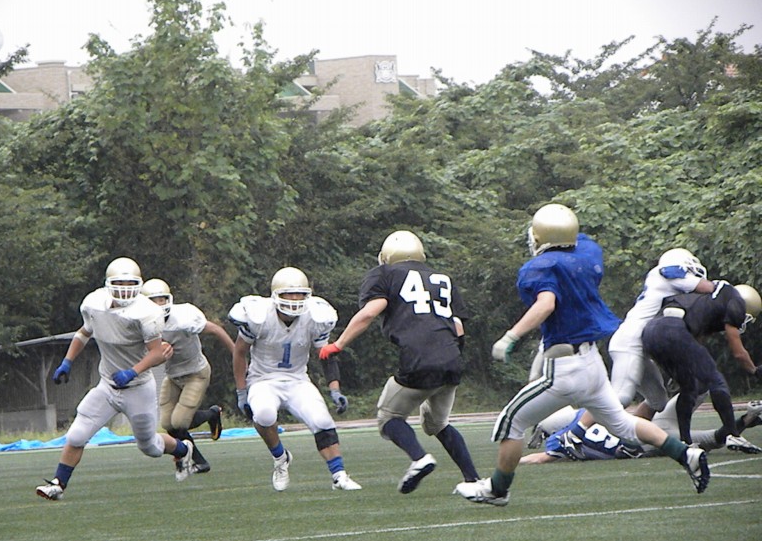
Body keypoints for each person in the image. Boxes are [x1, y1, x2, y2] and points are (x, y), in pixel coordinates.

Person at [453, 204, 710, 506]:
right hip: (592, 363)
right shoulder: (587, 253)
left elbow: (546, 303)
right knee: (623, 424)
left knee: (511, 421)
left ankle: (497, 489)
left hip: (565, 367)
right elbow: (574, 242)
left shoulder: (539, 268)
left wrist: (511, 336)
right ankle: (686, 454)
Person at [319, 230, 480, 494]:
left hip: (419, 358)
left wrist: (338, 345)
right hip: (452, 358)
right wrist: (449, 361)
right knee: (438, 424)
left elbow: (369, 313)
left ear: (386, 256)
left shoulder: (385, 274)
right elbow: (458, 328)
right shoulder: (442, 279)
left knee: (389, 418)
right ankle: (473, 480)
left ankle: (419, 459)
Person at [36, 257, 194, 501]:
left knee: (150, 447)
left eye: (129, 284)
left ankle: (183, 450)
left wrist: (133, 371)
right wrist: (67, 361)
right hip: (107, 386)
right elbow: (84, 333)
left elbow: (156, 352)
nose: (124, 289)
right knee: (77, 435)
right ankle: (58, 484)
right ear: (108, 283)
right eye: (119, 283)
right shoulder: (94, 303)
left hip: (138, 388)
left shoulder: (146, 312)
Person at [559, 248, 714, 448]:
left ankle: (626, 440)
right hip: (629, 342)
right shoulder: (667, 273)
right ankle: (573, 434)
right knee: (621, 397)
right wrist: (724, 290)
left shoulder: (671, 291)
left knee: (658, 401)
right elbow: (706, 287)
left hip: (641, 349)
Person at [228, 266, 361, 492]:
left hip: (297, 380)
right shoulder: (259, 316)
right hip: (263, 379)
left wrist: (335, 388)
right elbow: (239, 352)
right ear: (276, 295)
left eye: (299, 294)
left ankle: (339, 475)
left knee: (322, 421)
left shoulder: (315, 317)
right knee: (264, 414)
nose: (295, 300)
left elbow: (326, 355)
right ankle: (280, 457)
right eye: (289, 294)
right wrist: (242, 391)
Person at [642, 282, 762, 448]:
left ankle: (685, 443)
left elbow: (695, 338)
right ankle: (733, 435)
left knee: (689, 387)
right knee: (716, 380)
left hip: (650, 333)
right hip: (672, 330)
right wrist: (754, 370)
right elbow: (738, 352)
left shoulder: (711, 301)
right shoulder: (736, 301)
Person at [141, 278, 234, 477]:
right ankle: (199, 461)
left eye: (161, 299)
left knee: (180, 422)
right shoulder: (142, 324)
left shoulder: (183, 318)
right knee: (168, 424)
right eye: (153, 301)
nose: (158, 305)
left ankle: (212, 414)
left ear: (169, 300)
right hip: (173, 376)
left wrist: (236, 355)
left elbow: (216, 329)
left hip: (195, 373)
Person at [522, 397, 762, 464]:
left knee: (713, 439)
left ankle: (747, 418)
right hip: (646, 424)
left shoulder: (561, 440)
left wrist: (516, 461)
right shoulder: (586, 415)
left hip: (647, 440)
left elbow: (540, 458)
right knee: (697, 387)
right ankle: (749, 417)